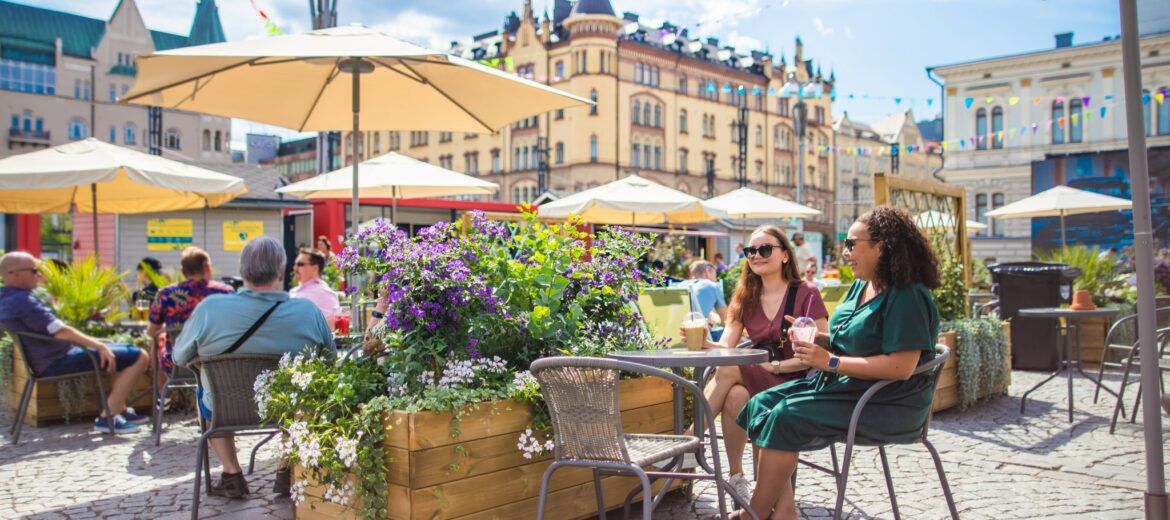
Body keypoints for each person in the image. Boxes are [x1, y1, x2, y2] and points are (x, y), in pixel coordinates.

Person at [734, 206, 942, 520]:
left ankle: (755, 514)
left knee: (785, 415)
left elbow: (901, 367)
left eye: (850, 244)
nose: (844, 252)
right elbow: (852, 337)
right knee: (760, 405)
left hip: (886, 402)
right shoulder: (863, 285)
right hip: (848, 389)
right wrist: (815, 338)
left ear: (880, 246)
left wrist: (829, 361)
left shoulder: (907, 295)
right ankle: (783, 511)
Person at [174, 237, 333, 499]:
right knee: (300, 398)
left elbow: (180, 356)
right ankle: (287, 469)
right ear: (282, 271)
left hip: (224, 407)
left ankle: (232, 474)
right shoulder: (307, 311)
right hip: (286, 407)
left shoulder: (210, 308)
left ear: (242, 270)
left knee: (205, 395)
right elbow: (329, 359)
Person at [686, 226, 829, 500]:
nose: (756, 255)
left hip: (798, 380)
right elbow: (728, 347)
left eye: (765, 249)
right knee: (735, 395)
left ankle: (690, 442)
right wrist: (705, 341)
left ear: (785, 255)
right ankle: (737, 477)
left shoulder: (806, 293)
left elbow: (825, 345)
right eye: (751, 250)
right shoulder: (745, 295)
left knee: (729, 369)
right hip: (759, 374)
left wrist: (776, 367)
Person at [0, 252, 150, 434]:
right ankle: (107, 417)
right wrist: (99, 346)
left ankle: (119, 408)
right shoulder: (23, 301)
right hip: (57, 360)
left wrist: (99, 344)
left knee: (118, 352)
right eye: (34, 270)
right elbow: (61, 331)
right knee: (140, 356)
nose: (38, 274)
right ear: (15, 274)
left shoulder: (7, 298)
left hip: (48, 359)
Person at [146, 247, 234, 377]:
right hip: (215, 363)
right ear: (207, 267)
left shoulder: (166, 294)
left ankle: (163, 393)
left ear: (183, 271)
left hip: (176, 365)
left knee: (159, 338)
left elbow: (152, 331)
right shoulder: (225, 292)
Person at [290, 247, 341, 328]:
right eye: (295, 264)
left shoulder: (324, 293)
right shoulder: (293, 291)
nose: (295, 268)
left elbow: (334, 326)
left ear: (315, 268)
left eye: (300, 264)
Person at [674, 260, 728, 330]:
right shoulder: (712, 286)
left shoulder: (680, 285)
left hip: (675, 334)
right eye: (715, 276)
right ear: (707, 272)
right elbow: (726, 321)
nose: (715, 279)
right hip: (695, 335)